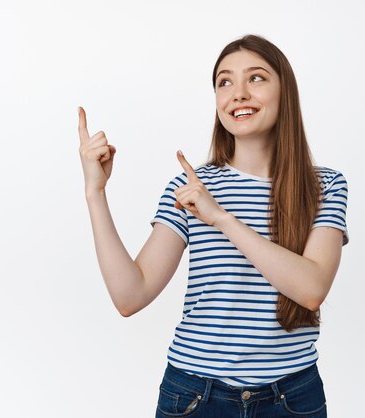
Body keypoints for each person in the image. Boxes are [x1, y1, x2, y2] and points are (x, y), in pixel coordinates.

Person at [78, 34, 348, 418]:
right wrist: (95, 193)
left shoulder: (326, 186)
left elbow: (311, 290)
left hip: (292, 398)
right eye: (224, 82)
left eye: (255, 78)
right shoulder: (188, 189)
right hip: (194, 397)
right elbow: (130, 296)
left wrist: (220, 217)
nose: (238, 93)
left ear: (285, 91)